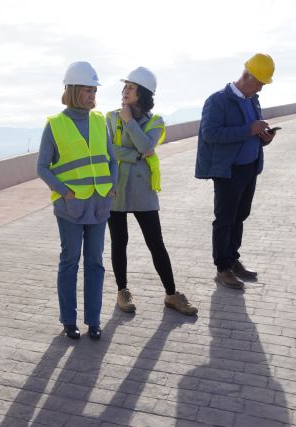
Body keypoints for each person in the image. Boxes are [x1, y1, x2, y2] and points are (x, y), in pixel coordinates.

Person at [106, 67, 198, 316]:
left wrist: (129, 122)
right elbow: (109, 152)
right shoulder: (109, 117)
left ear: (143, 94)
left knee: (156, 243)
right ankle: (122, 291)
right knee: (119, 242)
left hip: (142, 190)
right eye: (125, 86)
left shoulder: (155, 121)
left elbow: (147, 146)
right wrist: (134, 154)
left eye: (131, 87)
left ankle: (171, 293)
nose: (125, 91)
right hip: (115, 189)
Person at [37, 61, 118, 340]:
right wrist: (65, 191)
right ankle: (68, 320)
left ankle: (93, 320)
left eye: (94, 91)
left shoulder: (100, 120)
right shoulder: (55, 125)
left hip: (99, 206)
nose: (92, 96)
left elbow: (111, 159)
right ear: (72, 91)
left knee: (95, 262)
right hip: (70, 207)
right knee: (70, 261)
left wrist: (112, 186)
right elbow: (42, 167)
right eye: (87, 90)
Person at [195, 53, 276, 289]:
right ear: (247, 75)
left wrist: (265, 138)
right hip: (229, 171)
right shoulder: (218, 101)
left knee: (240, 216)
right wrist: (247, 130)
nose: (261, 87)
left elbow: (252, 132)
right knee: (225, 219)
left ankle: (233, 260)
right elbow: (210, 134)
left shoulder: (253, 99)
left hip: (250, 168)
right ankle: (222, 268)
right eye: (260, 81)